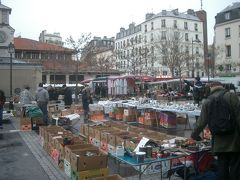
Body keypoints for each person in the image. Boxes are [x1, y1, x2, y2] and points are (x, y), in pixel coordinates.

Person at [191, 81, 240, 180]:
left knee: (222, 167)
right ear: (222, 86)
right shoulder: (232, 96)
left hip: (218, 141)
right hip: (234, 140)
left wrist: (193, 135)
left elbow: (201, 123)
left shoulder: (207, 101)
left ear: (210, 88)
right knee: (235, 168)